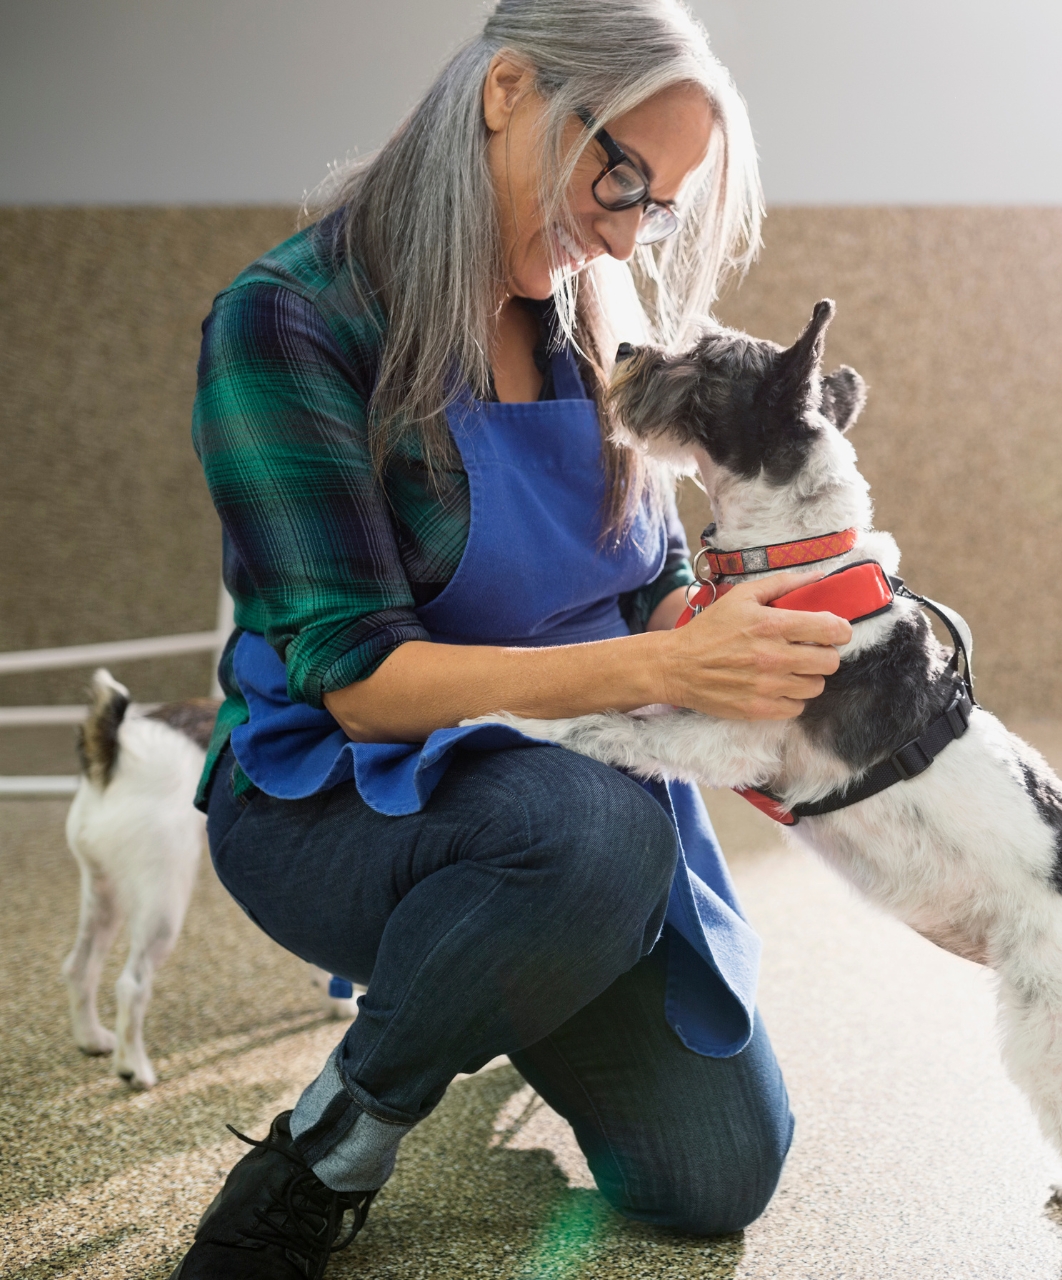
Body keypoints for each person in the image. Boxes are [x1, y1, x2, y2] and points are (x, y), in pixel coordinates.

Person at [173, 3, 851, 1275]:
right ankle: (334, 1143)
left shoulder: (594, 309)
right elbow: (363, 686)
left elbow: (649, 578)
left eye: (657, 206)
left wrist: (769, 632)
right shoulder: (289, 324)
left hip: (579, 794)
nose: (623, 227)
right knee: (585, 829)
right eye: (621, 174)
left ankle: (507, 965)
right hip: (336, 805)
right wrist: (664, 669)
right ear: (506, 91)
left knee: (714, 1173)